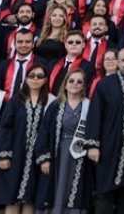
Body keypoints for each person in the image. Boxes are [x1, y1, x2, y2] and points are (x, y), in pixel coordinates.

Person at [83, 47, 124, 214]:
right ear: (118, 62)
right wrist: (93, 145)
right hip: (107, 147)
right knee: (105, 195)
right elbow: (95, 114)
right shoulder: (105, 84)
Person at [0, 63, 48, 214]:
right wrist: (3, 155)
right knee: (12, 196)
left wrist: (45, 157)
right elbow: (5, 127)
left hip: (37, 158)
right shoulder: (16, 100)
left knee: (30, 197)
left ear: (45, 80)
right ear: (26, 79)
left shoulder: (49, 102)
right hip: (15, 155)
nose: (35, 79)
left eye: (40, 76)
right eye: (32, 76)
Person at [33, 67, 90, 214]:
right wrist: (44, 159)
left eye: (79, 81)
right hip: (58, 153)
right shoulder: (55, 106)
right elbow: (43, 133)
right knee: (57, 188)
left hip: (80, 156)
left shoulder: (89, 106)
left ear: (84, 85)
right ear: (65, 84)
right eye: (71, 81)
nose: (75, 84)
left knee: (74, 189)